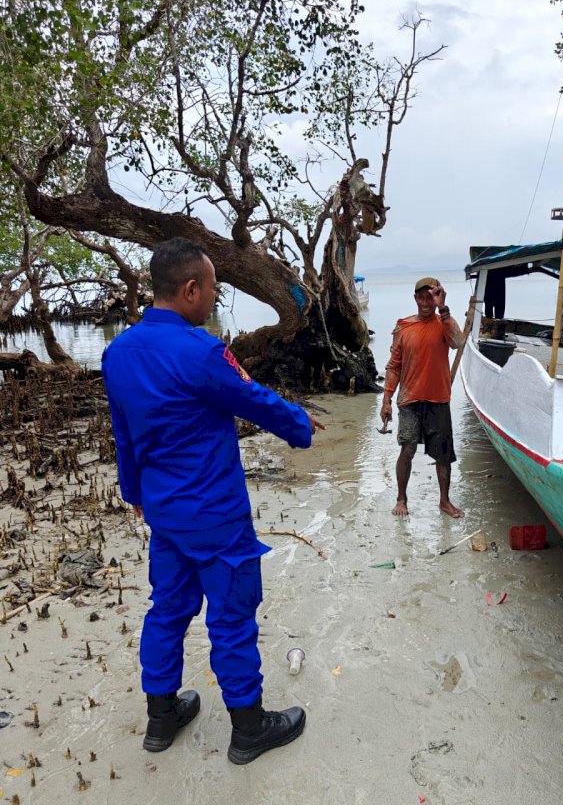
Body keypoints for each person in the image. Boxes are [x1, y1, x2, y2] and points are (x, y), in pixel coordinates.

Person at [101, 238, 325, 765]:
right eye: (214, 290)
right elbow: (252, 398)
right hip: (216, 514)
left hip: (164, 512)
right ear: (191, 289)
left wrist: (133, 491)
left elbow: (124, 435)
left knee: (168, 609)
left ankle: (161, 718)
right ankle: (249, 728)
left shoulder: (118, 353)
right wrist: (300, 424)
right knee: (231, 616)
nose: (216, 299)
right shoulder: (201, 352)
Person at [380, 277, 464, 518]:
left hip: (438, 399)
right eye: (422, 297)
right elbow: (394, 365)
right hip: (410, 400)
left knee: (443, 454)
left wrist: (443, 308)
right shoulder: (404, 327)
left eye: (431, 297)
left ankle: (445, 501)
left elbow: (458, 342)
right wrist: (386, 399)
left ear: (437, 297)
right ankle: (401, 498)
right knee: (407, 449)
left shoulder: (444, 322)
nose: (426, 302)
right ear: (415, 298)